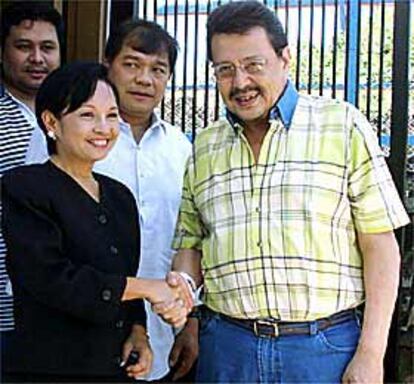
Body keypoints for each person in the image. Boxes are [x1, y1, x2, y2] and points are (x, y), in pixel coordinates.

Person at [167, 1, 410, 383]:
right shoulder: (206, 146)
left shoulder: (341, 127)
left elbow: (380, 245)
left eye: (253, 65)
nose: (240, 82)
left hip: (323, 349)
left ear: (286, 58)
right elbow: (191, 242)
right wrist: (182, 291)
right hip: (228, 350)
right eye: (225, 70)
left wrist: (371, 352)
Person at [25, 20, 197, 382]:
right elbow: (41, 262)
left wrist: (189, 321)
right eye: (132, 64)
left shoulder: (182, 149)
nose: (144, 79)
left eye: (158, 70)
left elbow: (191, 236)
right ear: (107, 65)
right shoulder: (60, 144)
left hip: (156, 338)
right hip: (61, 343)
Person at [0, 0, 62, 373]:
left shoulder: (79, 117)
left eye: (47, 47)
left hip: (61, 308)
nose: (37, 58)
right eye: (24, 46)